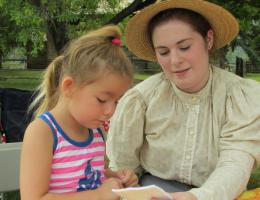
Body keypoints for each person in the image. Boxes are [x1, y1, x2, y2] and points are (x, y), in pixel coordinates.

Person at [106, 1, 260, 200]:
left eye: (185, 47)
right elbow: (124, 167)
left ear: (209, 39)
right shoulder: (140, 100)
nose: (175, 60)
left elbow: (236, 164)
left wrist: (197, 197)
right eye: (163, 52)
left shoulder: (239, 96)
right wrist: (127, 180)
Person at [20, 25, 138, 200]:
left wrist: (116, 178)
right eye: (102, 100)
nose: (110, 111)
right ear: (69, 87)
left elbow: (87, 176)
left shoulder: (95, 130)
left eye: (116, 102)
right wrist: (98, 195)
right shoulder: (43, 132)